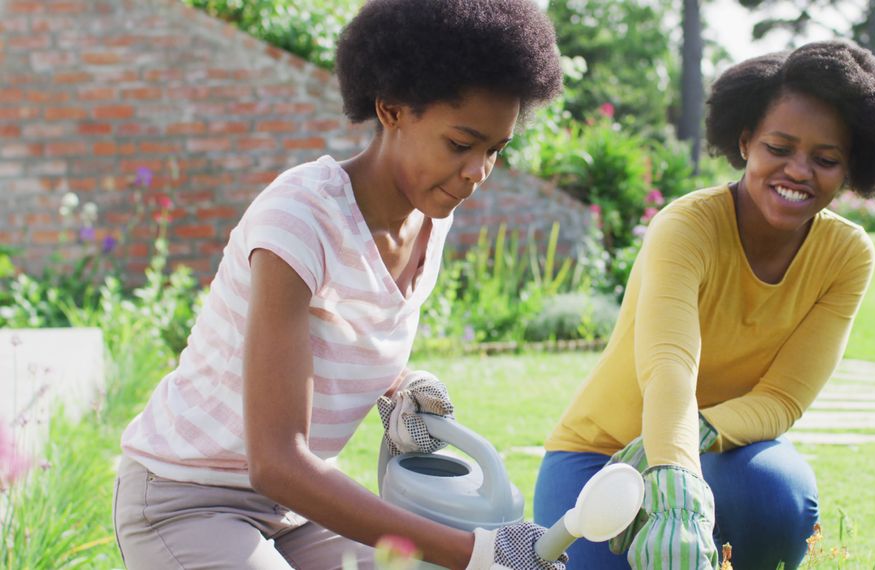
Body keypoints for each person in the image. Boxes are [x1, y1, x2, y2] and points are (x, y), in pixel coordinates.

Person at [112, 1, 565, 568]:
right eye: (461, 144)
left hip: (294, 510)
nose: (478, 172)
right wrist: (474, 552)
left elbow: (339, 339)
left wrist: (401, 386)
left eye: (495, 151)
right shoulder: (300, 219)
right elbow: (276, 460)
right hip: (187, 498)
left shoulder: (431, 217)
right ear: (393, 110)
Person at [534, 40, 875, 570]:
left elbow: (782, 399)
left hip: (721, 457)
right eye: (779, 148)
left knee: (777, 494)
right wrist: (671, 478)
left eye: (826, 160)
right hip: (600, 456)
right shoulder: (687, 227)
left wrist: (696, 436)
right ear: (745, 142)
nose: (799, 171)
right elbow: (670, 368)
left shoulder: (846, 255)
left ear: (850, 170)